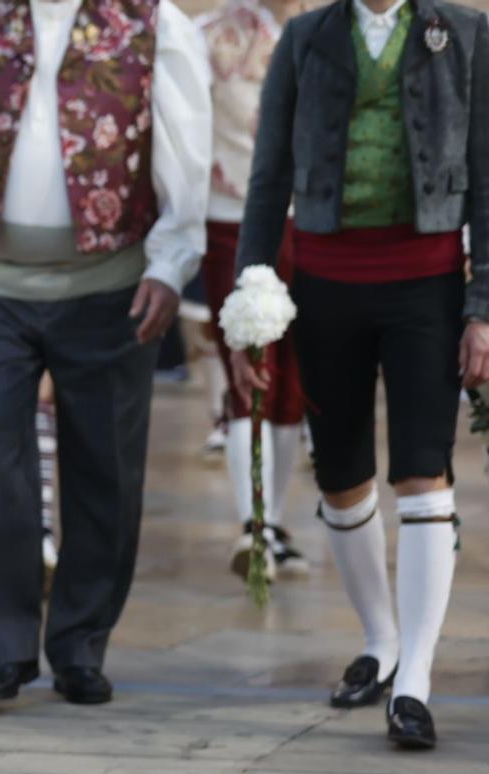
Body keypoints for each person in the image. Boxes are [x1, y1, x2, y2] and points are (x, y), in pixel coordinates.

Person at [0, 0, 212, 705]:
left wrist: (170, 262)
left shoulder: (154, 23)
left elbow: (187, 153)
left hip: (110, 287)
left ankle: (80, 644)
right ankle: (5, 646)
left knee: (105, 467)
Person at [233, 0, 489, 749]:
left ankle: (415, 681)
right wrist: (253, 295)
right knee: (340, 471)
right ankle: (382, 640)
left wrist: (483, 307)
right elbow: (267, 175)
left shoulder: (468, 34)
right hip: (324, 282)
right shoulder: (304, 39)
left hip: (426, 283)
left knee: (421, 468)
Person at [201, 0, 311, 585]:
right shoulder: (206, 36)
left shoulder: (326, 29)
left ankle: (276, 521)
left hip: (317, 222)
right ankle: (253, 523)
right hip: (233, 219)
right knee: (249, 369)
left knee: (295, 383)